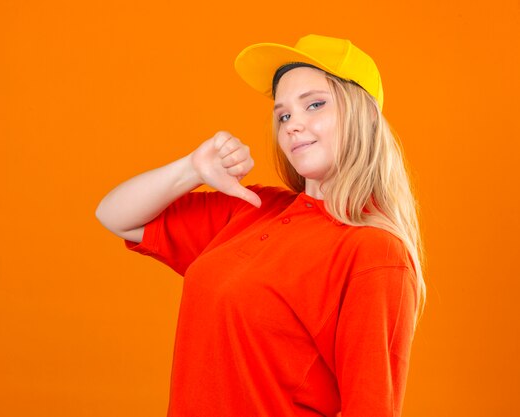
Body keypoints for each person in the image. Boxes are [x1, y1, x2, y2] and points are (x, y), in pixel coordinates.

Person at [96, 33, 425, 417]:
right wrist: (191, 169)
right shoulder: (252, 209)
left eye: (314, 105)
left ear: (366, 114)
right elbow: (114, 215)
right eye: (283, 114)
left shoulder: (375, 253)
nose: (292, 125)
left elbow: (371, 408)